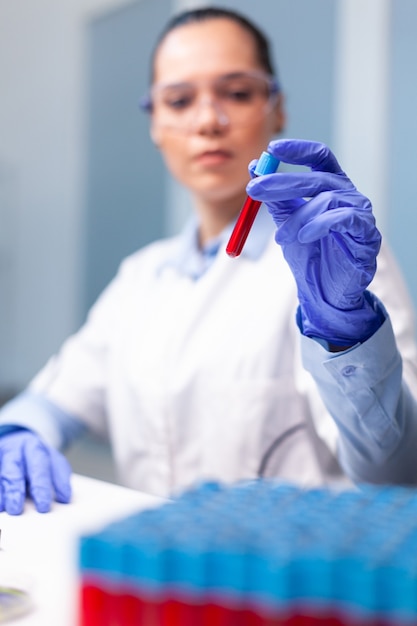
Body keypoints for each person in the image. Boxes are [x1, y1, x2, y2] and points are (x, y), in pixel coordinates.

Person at [1, 6, 417, 516]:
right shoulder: (142, 278)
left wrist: (345, 331)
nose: (208, 120)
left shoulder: (336, 259)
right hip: (156, 574)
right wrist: (21, 431)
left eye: (238, 93)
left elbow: (397, 472)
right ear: (154, 121)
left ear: (277, 108)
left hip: (286, 585)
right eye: (178, 100)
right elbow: (58, 397)